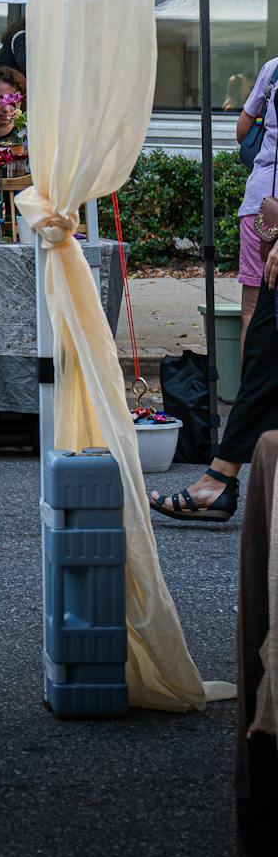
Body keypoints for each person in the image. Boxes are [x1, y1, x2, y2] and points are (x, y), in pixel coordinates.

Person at [151, 53, 278, 525]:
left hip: (270, 215)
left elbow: (243, 128)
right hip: (267, 212)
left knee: (262, 344)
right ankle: (219, 479)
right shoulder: (275, 67)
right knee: (264, 350)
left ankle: (218, 481)